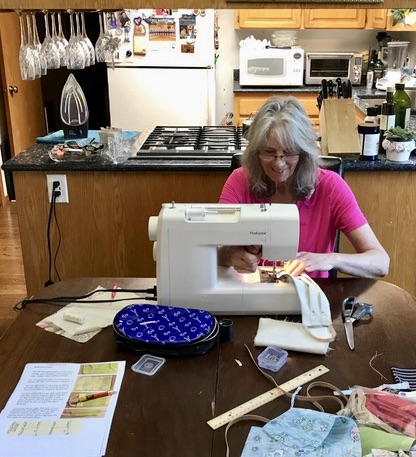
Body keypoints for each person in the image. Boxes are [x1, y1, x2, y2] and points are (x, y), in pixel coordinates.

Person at [218, 96, 390, 279]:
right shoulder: (240, 180)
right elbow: (212, 248)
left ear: (304, 151)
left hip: (311, 295)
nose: (278, 163)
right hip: (250, 293)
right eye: (269, 152)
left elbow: (380, 262)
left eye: (289, 152)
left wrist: (330, 260)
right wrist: (228, 255)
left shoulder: (331, 187)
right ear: (255, 152)